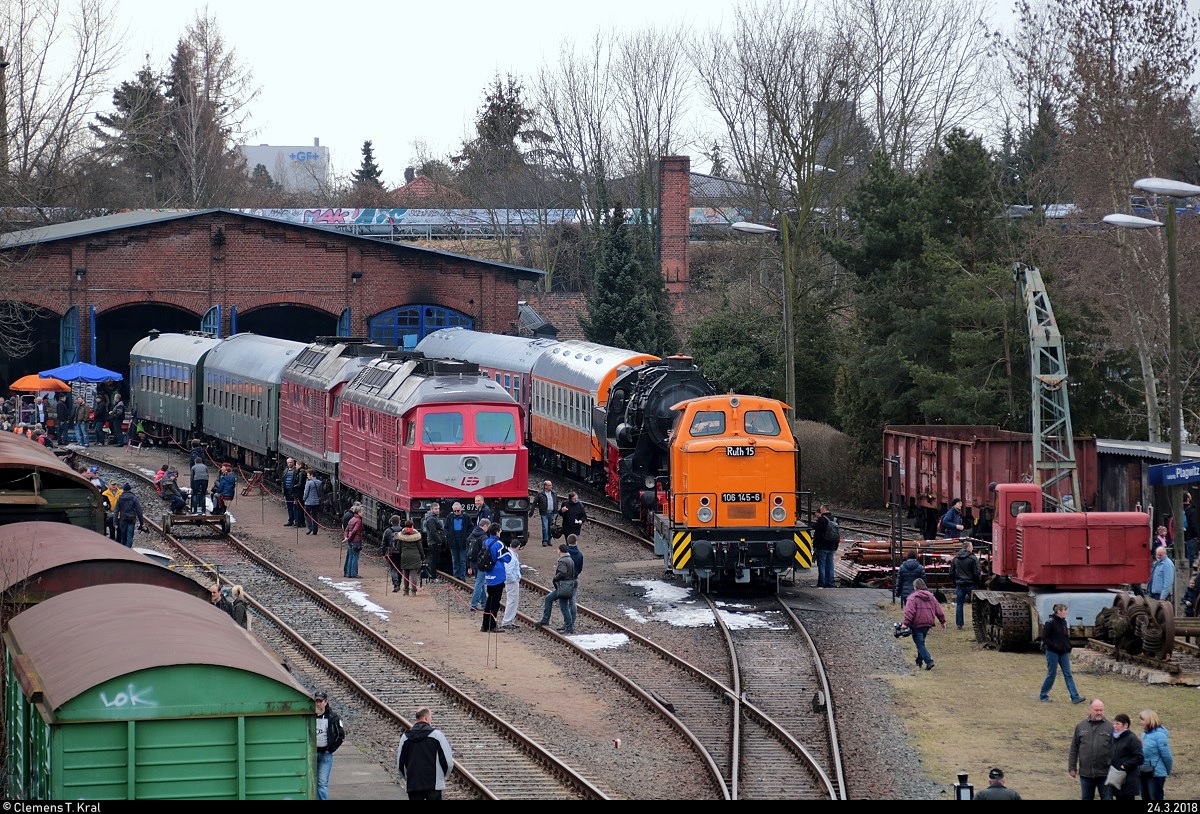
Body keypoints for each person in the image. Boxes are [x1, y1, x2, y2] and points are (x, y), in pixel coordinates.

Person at [396, 706, 454, 801]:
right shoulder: (437, 735)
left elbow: (400, 765)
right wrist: (442, 777)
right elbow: (448, 762)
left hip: (414, 785)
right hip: (434, 786)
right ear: (426, 718)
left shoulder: (405, 738)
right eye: (431, 717)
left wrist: (409, 778)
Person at [1039, 602, 1085, 704]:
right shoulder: (1050, 623)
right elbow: (1045, 637)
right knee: (1052, 673)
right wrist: (1054, 646)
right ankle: (1043, 695)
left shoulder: (1064, 622)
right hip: (1052, 652)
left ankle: (1075, 697)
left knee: (1068, 674)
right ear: (1058, 611)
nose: (1066, 612)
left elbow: (1065, 636)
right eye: (1064, 610)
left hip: (1063, 652)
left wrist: (1068, 646)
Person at [1069, 699, 1113, 800]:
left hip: (1105, 773)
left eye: (1101, 710)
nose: (1099, 712)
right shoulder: (1081, 726)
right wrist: (1072, 767)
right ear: (1090, 710)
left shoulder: (1110, 727)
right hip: (1086, 773)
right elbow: (1074, 748)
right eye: (1096, 710)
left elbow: (1117, 749)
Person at [902, 577, 945, 670]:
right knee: (921, 643)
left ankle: (929, 661)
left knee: (920, 644)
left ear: (915, 587)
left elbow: (909, 612)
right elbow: (939, 610)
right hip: (928, 623)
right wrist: (942, 621)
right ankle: (919, 662)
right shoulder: (931, 597)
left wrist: (905, 623)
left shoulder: (912, 598)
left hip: (917, 624)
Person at [536, 542, 577, 633]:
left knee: (564, 607)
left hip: (563, 586)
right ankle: (546, 619)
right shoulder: (570, 559)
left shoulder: (562, 560)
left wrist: (555, 578)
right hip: (568, 585)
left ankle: (569, 627)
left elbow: (562, 572)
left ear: (560, 551)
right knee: (549, 599)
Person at [313, 691, 345, 801]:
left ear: (326, 702)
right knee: (312, 781)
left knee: (322, 783)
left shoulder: (333, 717)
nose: (318, 704)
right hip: (312, 753)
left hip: (325, 754)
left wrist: (331, 749)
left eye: (320, 701)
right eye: (316, 701)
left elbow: (341, 735)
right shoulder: (310, 715)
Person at [479, 524, 510, 633]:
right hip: (498, 575)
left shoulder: (486, 542)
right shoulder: (499, 544)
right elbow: (508, 558)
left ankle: (484, 625)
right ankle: (492, 625)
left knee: (489, 600)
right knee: (495, 602)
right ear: (497, 532)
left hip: (488, 574)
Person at [1138, 709, 1173, 801]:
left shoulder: (1160, 736)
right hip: (1144, 772)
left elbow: (1167, 756)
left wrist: (1166, 771)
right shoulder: (1144, 735)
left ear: (1149, 720)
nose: (1140, 722)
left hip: (1156, 774)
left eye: (1142, 720)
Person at [1108, 712, 1143, 800]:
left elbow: (1139, 757)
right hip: (1117, 778)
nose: (1115, 726)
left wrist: (1125, 765)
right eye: (1114, 723)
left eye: (1118, 724)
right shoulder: (1115, 738)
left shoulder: (1132, 738)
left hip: (1128, 780)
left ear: (1126, 725)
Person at [950, 540, 981, 630]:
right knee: (976, 604)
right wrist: (977, 581)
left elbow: (951, 572)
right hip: (971, 584)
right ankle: (978, 622)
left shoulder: (955, 558)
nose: (972, 548)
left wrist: (955, 581)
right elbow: (977, 572)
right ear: (968, 547)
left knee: (959, 604)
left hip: (960, 584)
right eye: (971, 547)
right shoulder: (973, 558)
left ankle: (959, 624)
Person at [466, 515, 490, 612]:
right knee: (479, 584)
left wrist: (469, 565)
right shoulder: (484, 536)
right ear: (485, 526)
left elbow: (467, 549)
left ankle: (484, 604)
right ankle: (473, 605)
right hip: (481, 563)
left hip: (473, 562)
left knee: (480, 583)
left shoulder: (472, 534)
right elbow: (485, 551)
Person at [394, 518, 425, 594]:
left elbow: (398, 548)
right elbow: (420, 547)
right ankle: (414, 591)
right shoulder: (416, 535)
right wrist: (422, 556)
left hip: (405, 556)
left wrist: (402, 552)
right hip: (415, 556)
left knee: (405, 574)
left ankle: (406, 591)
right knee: (413, 574)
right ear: (412, 526)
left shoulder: (401, 535)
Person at [812, 504, 840, 588]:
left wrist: (815, 546)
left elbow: (817, 534)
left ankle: (822, 583)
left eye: (820, 510)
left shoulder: (822, 520)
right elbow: (837, 534)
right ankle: (830, 583)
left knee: (822, 565)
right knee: (830, 564)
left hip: (822, 546)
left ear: (823, 510)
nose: (820, 511)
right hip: (832, 546)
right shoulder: (836, 519)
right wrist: (836, 545)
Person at [113, 482, 145, 547]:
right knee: (130, 536)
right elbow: (139, 511)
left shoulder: (120, 498)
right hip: (131, 519)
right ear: (130, 490)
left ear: (123, 490)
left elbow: (116, 511)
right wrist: (142, 523)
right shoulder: (134, 498)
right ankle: (129, 550)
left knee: (123, 536)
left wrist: (115, 522)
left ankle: (124, 550)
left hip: (123, 519)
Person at [500, 535, 522, 629]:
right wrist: (514, 580)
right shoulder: (512, 557)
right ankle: (507, 621)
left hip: (511, 581)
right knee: (512, 601)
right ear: (518, 546)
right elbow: (508, 572)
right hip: (511, 582)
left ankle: (509, 620)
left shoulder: (509, 554)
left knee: (512, 601)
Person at [422, 503, 447, 581]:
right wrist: (439, 541)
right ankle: (432, 576)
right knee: (434, 559)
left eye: (438, 509)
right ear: (431, 509)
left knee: (434, 559)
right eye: (435, 509)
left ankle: (432, 575)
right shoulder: (431, 519)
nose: (437, 510)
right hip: (434, 542)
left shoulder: (434, 517)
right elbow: (433, 532)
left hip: (434, 541)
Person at [446, 501, 471, 581]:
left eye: (458, 510)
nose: (457, 512)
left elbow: (470, 527)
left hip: (463, 541)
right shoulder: (449, 517)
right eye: (455, 511)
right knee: (455, 560)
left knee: (462, 560)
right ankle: (456, 576)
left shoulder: (466, 517)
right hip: (453, 541)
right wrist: (448, 535)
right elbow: (446, 527)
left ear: (461, 509)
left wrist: (467, 537)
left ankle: (462, 576)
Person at [533, 480, 558, 546]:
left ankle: (549, 540)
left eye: (551, 485)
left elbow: (556, 502)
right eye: (549, 485)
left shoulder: (554, 494)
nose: (551, 486)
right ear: (545, 486)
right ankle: (545, 540)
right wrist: (532, 511)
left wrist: (556, 510)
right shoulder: (540, 494)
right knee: (545, 527)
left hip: (552, 513)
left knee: (550, 528)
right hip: (544, 513)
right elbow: (534, 502)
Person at [565, 533, 583, 625]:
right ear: (576, 542)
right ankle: (572, 622)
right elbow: (580, 568)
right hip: (575, 579)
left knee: (564, 602)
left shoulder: (565, 554)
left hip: (566, 580)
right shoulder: (580, 555)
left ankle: (567, 623)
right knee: (573, 601)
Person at [342, 505, 364, 578]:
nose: (363, 513)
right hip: (356, 541)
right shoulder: (358, 521)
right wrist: (350, 538)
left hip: (350, 541)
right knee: (355, 557)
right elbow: (355, 531)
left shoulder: (351, 519)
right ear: (358, 512)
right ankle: (354, 573)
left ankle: (349, 573)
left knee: (350, 556)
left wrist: (346, 537)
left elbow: (346, 530)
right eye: (362, 512)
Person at [282, 457, 300, 526]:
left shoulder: (296, 471)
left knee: (295, 507)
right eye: (289, 462)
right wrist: (284, 491)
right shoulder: (285, 471)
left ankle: (296, 521)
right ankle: (290, 520)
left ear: (293, 463)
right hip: (287, 492)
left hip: (294, 492)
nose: (290, 463)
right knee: (289, 507)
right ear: (287, 463)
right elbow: (283, 482)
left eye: (291, 462)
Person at [1184, 492, 1199, 566]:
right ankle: (1189, 574)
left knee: (1183, 556)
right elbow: (1193, 524)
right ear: (1188, 498)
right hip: (1190, 537)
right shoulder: (1191, 510)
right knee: (1191, 557)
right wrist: (1196, 535)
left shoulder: (1177, 509)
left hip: (1180, 536)